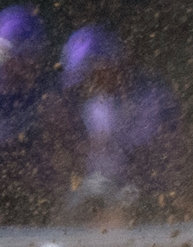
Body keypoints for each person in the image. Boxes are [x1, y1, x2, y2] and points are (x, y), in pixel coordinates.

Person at [0, 6, 78, 220]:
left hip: (43, 196)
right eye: (20, 57)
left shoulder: (47, 89)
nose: (28, 64)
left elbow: (73, 149)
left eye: (32, 56)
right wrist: (32, 120)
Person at [69, 26, 186, 217]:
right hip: (102, 194)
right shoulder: (94, 106)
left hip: (151, 199)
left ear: (110, 64)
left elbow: (164, 161)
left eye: (91, 73)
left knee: (124, 205)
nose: (87, 81)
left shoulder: (154, 98)